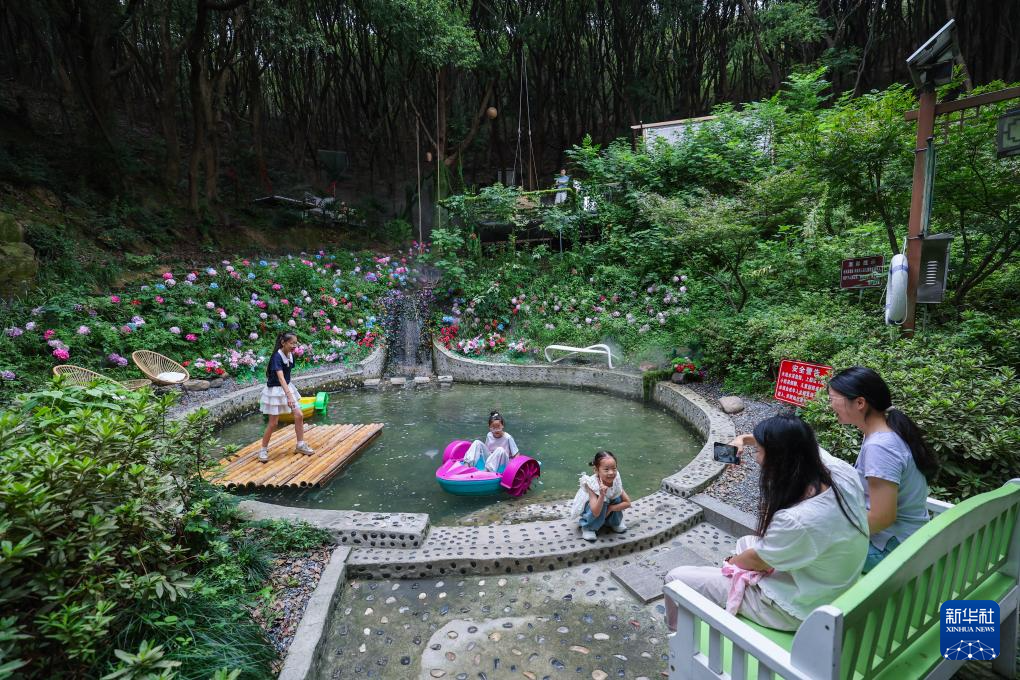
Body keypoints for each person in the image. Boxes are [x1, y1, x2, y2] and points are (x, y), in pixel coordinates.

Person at [663, 415, 868, 632]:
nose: (756, 456)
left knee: (676, 578)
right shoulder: (840, 471)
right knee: (746, 542)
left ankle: (678, 636)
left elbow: (755, 560)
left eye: (759, 451)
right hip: (832, 583)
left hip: (798, 608)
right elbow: (794, 443)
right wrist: (743, 439)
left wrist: (730, 563)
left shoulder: (796, 520)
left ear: (779, 459)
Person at [827, 366, 938, 572]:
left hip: (892, 551)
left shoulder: (880, 446)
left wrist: (836, 535)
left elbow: (882, 518)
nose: (830, 405)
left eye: (833, 399)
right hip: (907, 539)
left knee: (806, 548)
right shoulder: (885, 431)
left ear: (860, 403)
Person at [258, 332, 315, 463]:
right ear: (283, 343)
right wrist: (289, 396)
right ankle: (263, 449)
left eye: (296, 343)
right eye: (291, 343)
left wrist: (289, 393)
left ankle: (300, 445)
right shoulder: (276, 357)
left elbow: (287, 376)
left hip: (287, 387)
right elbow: (281, 378)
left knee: (299, 415)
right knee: (273, 423)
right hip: (275, 391)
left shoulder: (290, 355)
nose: (294, 346)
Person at [570, 450, 632, 541]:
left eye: (614, 468)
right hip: (593, 508)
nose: (611, 473)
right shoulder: (592, 484)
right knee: (603, 501)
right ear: (596, 470)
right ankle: (588, 527)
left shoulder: (616, 479)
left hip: (607, 509)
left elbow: (627, 503)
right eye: (606, 469)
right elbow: (595, 512)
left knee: (617, 497)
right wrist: (602, 495)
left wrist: (611, 508)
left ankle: (614, 523)